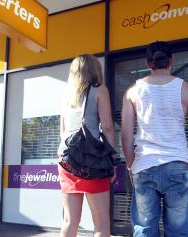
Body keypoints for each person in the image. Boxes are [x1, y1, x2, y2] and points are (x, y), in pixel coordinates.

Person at [121, 41, 188, 236]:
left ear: (148, 63)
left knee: (144, 230)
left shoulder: (132, 92)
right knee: (178, 231)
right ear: (171, 61)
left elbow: (126, 135)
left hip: (144, 166)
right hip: (177, 166)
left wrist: (131, 165)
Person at [58, 54, 115, 237]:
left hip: (66, 160)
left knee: (70, 221)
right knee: (101, 222)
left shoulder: (67, 95)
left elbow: (63, 131)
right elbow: (107, 127)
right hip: (93, 161)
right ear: (95, 69)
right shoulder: (100, 90)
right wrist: (112, 159)